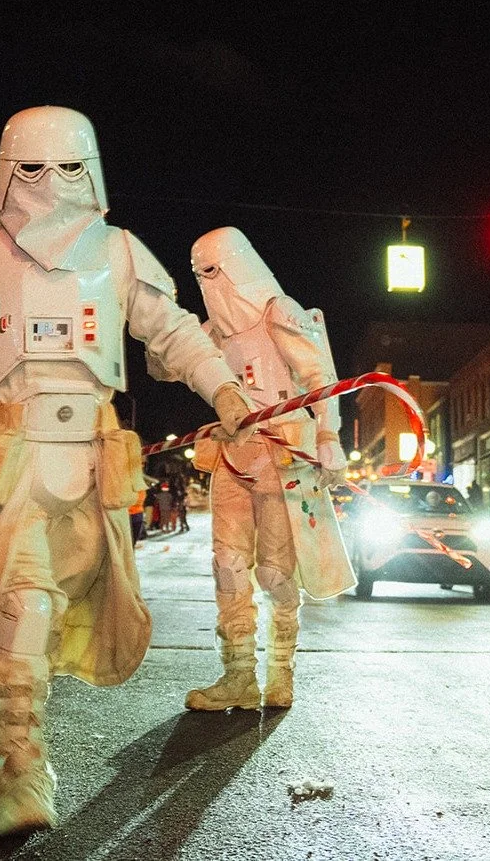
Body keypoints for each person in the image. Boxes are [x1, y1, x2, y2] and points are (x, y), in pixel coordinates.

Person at [0, 106, 253, 836]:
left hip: (91, 463)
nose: (49, 184)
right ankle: (17, 760)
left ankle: (21, 738)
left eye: (66, 166)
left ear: (91, 169)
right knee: (24, 602)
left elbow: (174, 331)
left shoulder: (116, 251)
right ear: (6, 169)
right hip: (9, 458)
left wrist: (224, 386)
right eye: (32, 166)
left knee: (60, 609)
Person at [181, 227, 355, 712]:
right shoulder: (212, 333)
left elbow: (322, 379)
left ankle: (282, 673)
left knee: (278, 572)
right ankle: (238, 675)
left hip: (283, 455)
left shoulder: (280, 312)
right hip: (233, 454)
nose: (209, 282)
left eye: (214, 270)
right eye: (200, 275)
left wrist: (328, 436)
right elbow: (174, 363)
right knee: (228, 567)